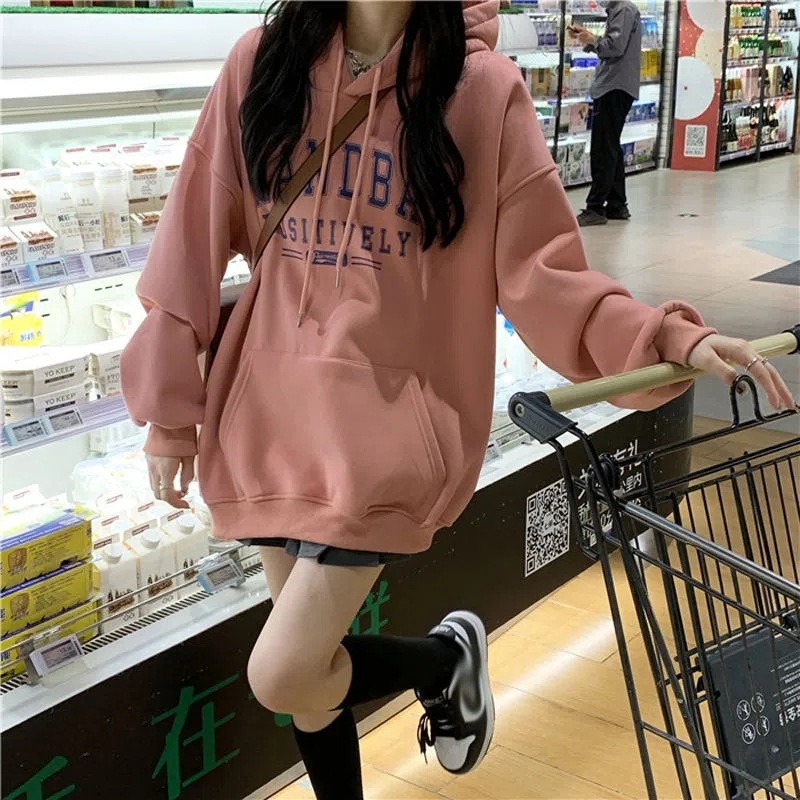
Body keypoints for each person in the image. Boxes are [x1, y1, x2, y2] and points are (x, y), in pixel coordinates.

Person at [119, 2, 795, 798]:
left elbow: (545, 275)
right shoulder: (261, 62)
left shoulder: (482, 91)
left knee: (283, 670)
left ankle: (443, 662)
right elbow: (190, 238)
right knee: (311, 679)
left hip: (385, 430)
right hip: (268, 411)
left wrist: (666, 338)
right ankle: (441, 668)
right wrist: (171, 415)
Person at [570, 0, 642, 226]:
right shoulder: (619, 10)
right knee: (611, 146)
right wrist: (588, 39)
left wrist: (592, 39)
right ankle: (617, 203)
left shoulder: (623, 9)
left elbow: (615, 47)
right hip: (615, 85)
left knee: (602, 148)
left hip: (614, 86)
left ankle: (595, 207)